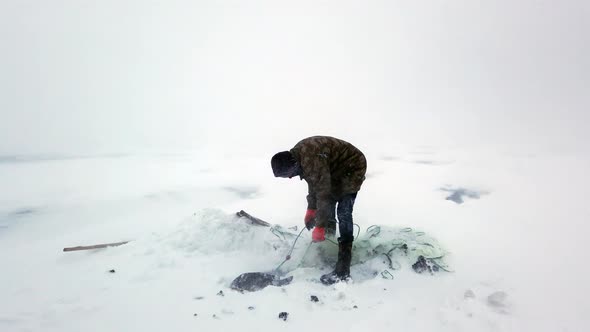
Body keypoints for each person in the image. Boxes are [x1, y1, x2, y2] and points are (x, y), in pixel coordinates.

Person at [271, 136, 367, 284]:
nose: (290, 178)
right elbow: (314, 183)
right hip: (333, 170)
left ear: (293, 166)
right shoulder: (299, 156)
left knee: (343, 211)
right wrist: (311, 209)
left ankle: (343, 270)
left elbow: (323, 193)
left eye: (288, 175)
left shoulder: (311, 159)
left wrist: (320, 226)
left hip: (352, 165)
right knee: (327, 207)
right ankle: (328, 250)